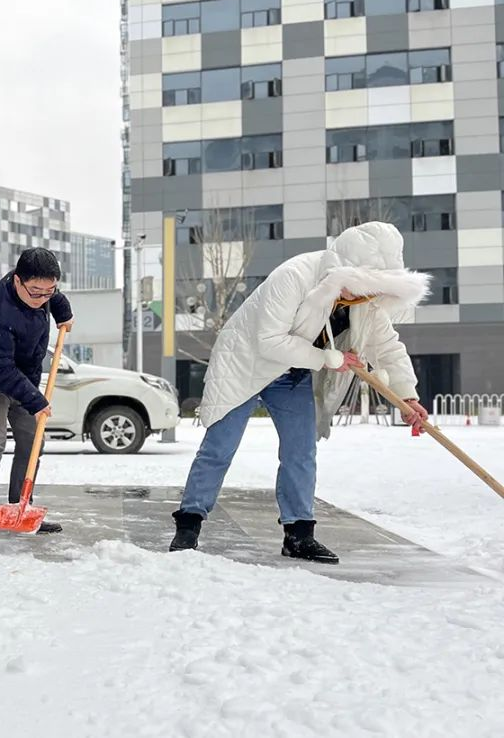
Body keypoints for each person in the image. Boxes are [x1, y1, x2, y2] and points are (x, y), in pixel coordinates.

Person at [169, 221, 431, 562]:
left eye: (369, 291)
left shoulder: (365, 300)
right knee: (220, 448)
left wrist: (408, 397)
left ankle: (299, 534)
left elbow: (389, 347)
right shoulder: (293, 276)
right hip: (245, 365)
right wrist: (327, 358)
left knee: (300, 451)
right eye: (357, 288)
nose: (360, 298)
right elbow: (268, 340)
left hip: (292, 375)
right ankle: (188, 525)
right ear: (342, 272)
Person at [0, 248, 74, 549]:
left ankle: (20, 505)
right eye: (36, 292)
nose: (42, 299)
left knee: (33, 440)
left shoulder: (42, 290)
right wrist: (36, 400)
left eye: (48, 292)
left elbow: (54, 296)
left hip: (24, 378)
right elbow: (1, 370)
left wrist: (63, 313)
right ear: (17, 281)